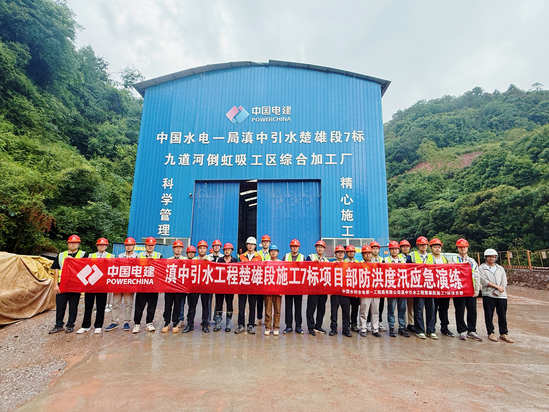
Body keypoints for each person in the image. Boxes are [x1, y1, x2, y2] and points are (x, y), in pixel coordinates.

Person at [49, 235, 87, 334]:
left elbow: (86, 268)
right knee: (60, 306)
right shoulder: (61, 255)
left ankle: (70, 325)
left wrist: (73, 260)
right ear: (67, 244)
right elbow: (56, 270)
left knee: (73, 306)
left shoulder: (83, 255)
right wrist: (55, 285)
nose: (72, 244)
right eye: (71, 243)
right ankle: (58, 325)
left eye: (75, 243)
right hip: (62, 284)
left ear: (78, 244)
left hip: (75, 285)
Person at [76, 238, 113, 334]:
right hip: (91, 284)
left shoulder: (111, 256)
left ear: (106, 246)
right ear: (97, 246)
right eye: (100, 245)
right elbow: (81, 264)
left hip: (102, 284)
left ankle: (98, 325)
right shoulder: (90, 255)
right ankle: (85, 325)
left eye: (104, 245)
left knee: (101, 306)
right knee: (88, 305)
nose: (102, 246)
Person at [478, 249, 514, 343]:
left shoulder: (500, 268)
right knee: (489, 314)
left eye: (493, 257)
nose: (491, 258)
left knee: (502, 315)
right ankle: (490, 332)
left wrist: (499, 290)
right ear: (486, 257)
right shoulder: (481, 268)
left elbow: (504, 281)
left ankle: (504, 333)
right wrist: (497, 287)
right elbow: (483, 281)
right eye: (489, 256)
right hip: (488, 294)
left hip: (501, 295)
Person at [450, 238, 482, 341]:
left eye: (464, 247)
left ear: (467, 248)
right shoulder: (453, 259)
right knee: (460, 310)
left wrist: (476, 290)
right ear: (457, 248)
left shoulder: (472, 261)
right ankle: (462, 330)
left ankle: (472, 330)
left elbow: (476, 275)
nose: (462, 249)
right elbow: (449, 271)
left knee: (472, 310)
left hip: (470, 289)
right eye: (460, 247)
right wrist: (462, 265)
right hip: (458, 289)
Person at [407, 236, 437, 340]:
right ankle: (419, 330)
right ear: (418, 245)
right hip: (418, 286)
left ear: (427, 246)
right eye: (421, 245)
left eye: (424, 244)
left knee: (431, 309)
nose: (423, 246)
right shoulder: (412, 255)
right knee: (418, 309)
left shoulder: (431, 257)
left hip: (429, 286)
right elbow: (407, 270)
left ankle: (431, 330)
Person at [106, 237, 138, 332]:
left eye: (130, 245)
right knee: (116, 303)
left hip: (130, 284)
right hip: (119, 284)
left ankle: (126, 321)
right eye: (127, 245)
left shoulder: (137, 257)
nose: (128, 247)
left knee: (128, 304)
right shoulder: (120, 256)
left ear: (134, 246)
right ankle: (114, 321)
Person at [133, 237, 162, 334]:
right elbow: (134, 269)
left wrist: (160, 286)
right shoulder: (139, 256)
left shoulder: (159, 256)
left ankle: (149, 323)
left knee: (151, 306)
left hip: (153, 286)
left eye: (152, 245)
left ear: (154, 246)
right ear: (145, 246)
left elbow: (161, 271)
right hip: (142, 285)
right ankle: (137, 324)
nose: (150, 247)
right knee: (139, 306)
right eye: (148, 245)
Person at [183, 240, 211, 333]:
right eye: (200, 248)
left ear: (206, 249)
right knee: (192, 306)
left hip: (205, 286)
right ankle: (190, 325)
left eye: (204, 248)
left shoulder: (210, 259)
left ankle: (205, 324)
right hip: (194, 286)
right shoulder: (193, 260)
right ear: (198, 249)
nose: (202, 250)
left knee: (205, 306)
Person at [236, 237, 262, 334]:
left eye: (252, 244)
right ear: (246, 245)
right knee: (241, 306)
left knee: (252, 306)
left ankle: (250, 325)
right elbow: (236, 269)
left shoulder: (259, 257)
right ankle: (241, 325)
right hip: (243, 284)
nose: (250, 246)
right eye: (249, 244)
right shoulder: (241, 257)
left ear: (255, 246)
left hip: (253, 285)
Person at [429, 238, 454, 337]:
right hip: (433, 288)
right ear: (431, 248)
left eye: (438, 247)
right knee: (433, 309)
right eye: (435, 247)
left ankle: (444, 327)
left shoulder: (444, 259)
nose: (437, 249)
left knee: (444, 309)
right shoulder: (429, 258)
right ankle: (432, 327)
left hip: (443, 288)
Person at [385, 241, 410, 338]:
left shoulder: (404, 260)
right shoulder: (386, 260)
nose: (394, 251)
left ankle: (402, 327)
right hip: (391, 289)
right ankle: (391, 327)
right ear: (389, 250)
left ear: (398, 250)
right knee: (391, 309)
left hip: (402, 288)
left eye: (396, 249)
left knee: (402, 309)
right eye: (392, 249)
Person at [305, 240, 330, 335]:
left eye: (321, 247)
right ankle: (310, 327)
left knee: (321, 308)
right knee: (311, 308)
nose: (320, 249)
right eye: (318, 247)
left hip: (323, 288)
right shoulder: (310, 257)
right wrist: (313, 263)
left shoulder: (326, 261)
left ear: (324, 249)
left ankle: (318, 326)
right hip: (313, 287)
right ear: (316, 248)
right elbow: (305, 267)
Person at [162, 240, 185, 333]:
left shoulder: (185, 260)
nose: (178, 249)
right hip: (169, 287)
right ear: (173, 249)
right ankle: (166, 322)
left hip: (179, 288)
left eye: (180, 248)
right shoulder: (168, 260)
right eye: (176, 248)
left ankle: (175, 322)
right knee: (168, 305)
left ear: (182, 249)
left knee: (178, 305)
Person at [283, 239, 305, 335]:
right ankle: (288, 326)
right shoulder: (286, 256)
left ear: (298, 248)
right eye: (293, 246)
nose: (294, 248)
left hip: (298, 287)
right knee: (288, 306)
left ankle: (298, 326)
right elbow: (282, 270)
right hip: (288, 286)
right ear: (290, 247)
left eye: (296, 246)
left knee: (298, 307)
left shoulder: (302, 257)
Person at [358, 245, 380, 338]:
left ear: (372, 254)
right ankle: (363, 328)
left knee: (375, 310)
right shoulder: (359, 265)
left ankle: (375, 329)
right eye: (365, 253)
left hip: (375, 290)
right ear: (362, 255)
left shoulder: (377, 264)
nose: (367, 255)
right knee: (364, 309)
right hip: (365, 291)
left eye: (369, 253)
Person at [330, 245, 352, 337]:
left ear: (344, 254)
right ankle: (333, 328)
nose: (340, 254)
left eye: (342, 252)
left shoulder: (349, 264)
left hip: (345, 292)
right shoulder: (331, 264)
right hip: (335, 292)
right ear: (335, 254)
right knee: (334, 311)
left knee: (346, 312)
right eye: (338, 252)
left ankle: (346, 329)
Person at [214, 243, 237, 332]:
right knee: (219, 304)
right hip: (220, 287)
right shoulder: (219, 260)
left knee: (229, 304)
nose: (227, 251)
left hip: (230, 287)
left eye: (229, 250)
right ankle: (218, 323)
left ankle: (228, 323)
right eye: (225, 250)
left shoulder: (235, 261)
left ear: (231, 251)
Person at [264, 245, 283, 336]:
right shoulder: (266, 262)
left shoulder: (281, 263)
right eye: (271, 251)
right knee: (268, 309)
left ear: (278, 253)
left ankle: (276, 327)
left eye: (275, 251)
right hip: (268, 289)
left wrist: (282, 289)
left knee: (277, 309)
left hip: (278, 289)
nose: (273, 253)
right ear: (269, 253)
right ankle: (268, 327)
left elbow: (283, 276)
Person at [370, 241, 387, 332]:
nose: (375, 250)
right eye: (373, 248)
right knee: (369, 304)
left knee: (380, 304)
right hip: (370, 286)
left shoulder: (382, 260)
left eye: (377, 248)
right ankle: (369, 322)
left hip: (380, 286)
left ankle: (379, 321)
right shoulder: (367, 260)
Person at [398, 239, 415, 332]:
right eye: (403, 246)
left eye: (406, 246)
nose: (405, 248)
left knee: (411, 306)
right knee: (402, 306)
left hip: (411, 284)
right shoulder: (398, 257)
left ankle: (411, 323)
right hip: (401, 285)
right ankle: (402, 324)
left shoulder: (412, 256)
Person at [256, 234, 272, 325]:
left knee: (268, 301)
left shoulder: (273, 253)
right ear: (261, 243)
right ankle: (259, 318)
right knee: (259, 301)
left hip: (269, 280)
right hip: (259, 279)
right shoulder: (257, 253)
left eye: (267, 242)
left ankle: (267, 319)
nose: (265, 243)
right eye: (264, 242)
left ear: (269, 243)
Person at [345, 245, 361, 332]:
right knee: (346, 308)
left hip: (355, 289)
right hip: (346, 289)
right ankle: (346, 324)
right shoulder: (342, 262)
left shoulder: (358, 263)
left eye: (352, 251)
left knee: (355, 307)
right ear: (346, 253)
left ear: (354, 253)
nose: (351, 253)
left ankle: (354, 323)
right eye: (349, 251)